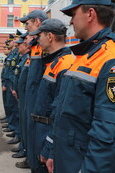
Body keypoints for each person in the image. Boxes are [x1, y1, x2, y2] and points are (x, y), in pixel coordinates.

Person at [50, 0, 115, 173]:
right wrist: (53, 150)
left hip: (83, 163)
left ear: (90, 14)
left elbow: (107, 133)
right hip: (67, 156)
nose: (70, 21)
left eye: (73, 13)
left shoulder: (111, 58)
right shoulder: (85, 54)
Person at [29, 19, 75, 173]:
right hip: (42, 128)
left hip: (49, 131)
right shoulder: (54, 61)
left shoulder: (65, 64)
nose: (37, 39)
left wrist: (50, 145)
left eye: (40, 35)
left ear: (50, 36)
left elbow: (59, 112)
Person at [18, 9, 48, 170]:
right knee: (29, 134)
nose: (26, 28)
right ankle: (31, 161)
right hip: (30, 98)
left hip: (38, 101)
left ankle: (34, 163)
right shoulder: (36, 46)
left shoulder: (44, 45)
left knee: (37, 139)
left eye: (27, 24)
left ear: (37, 21)